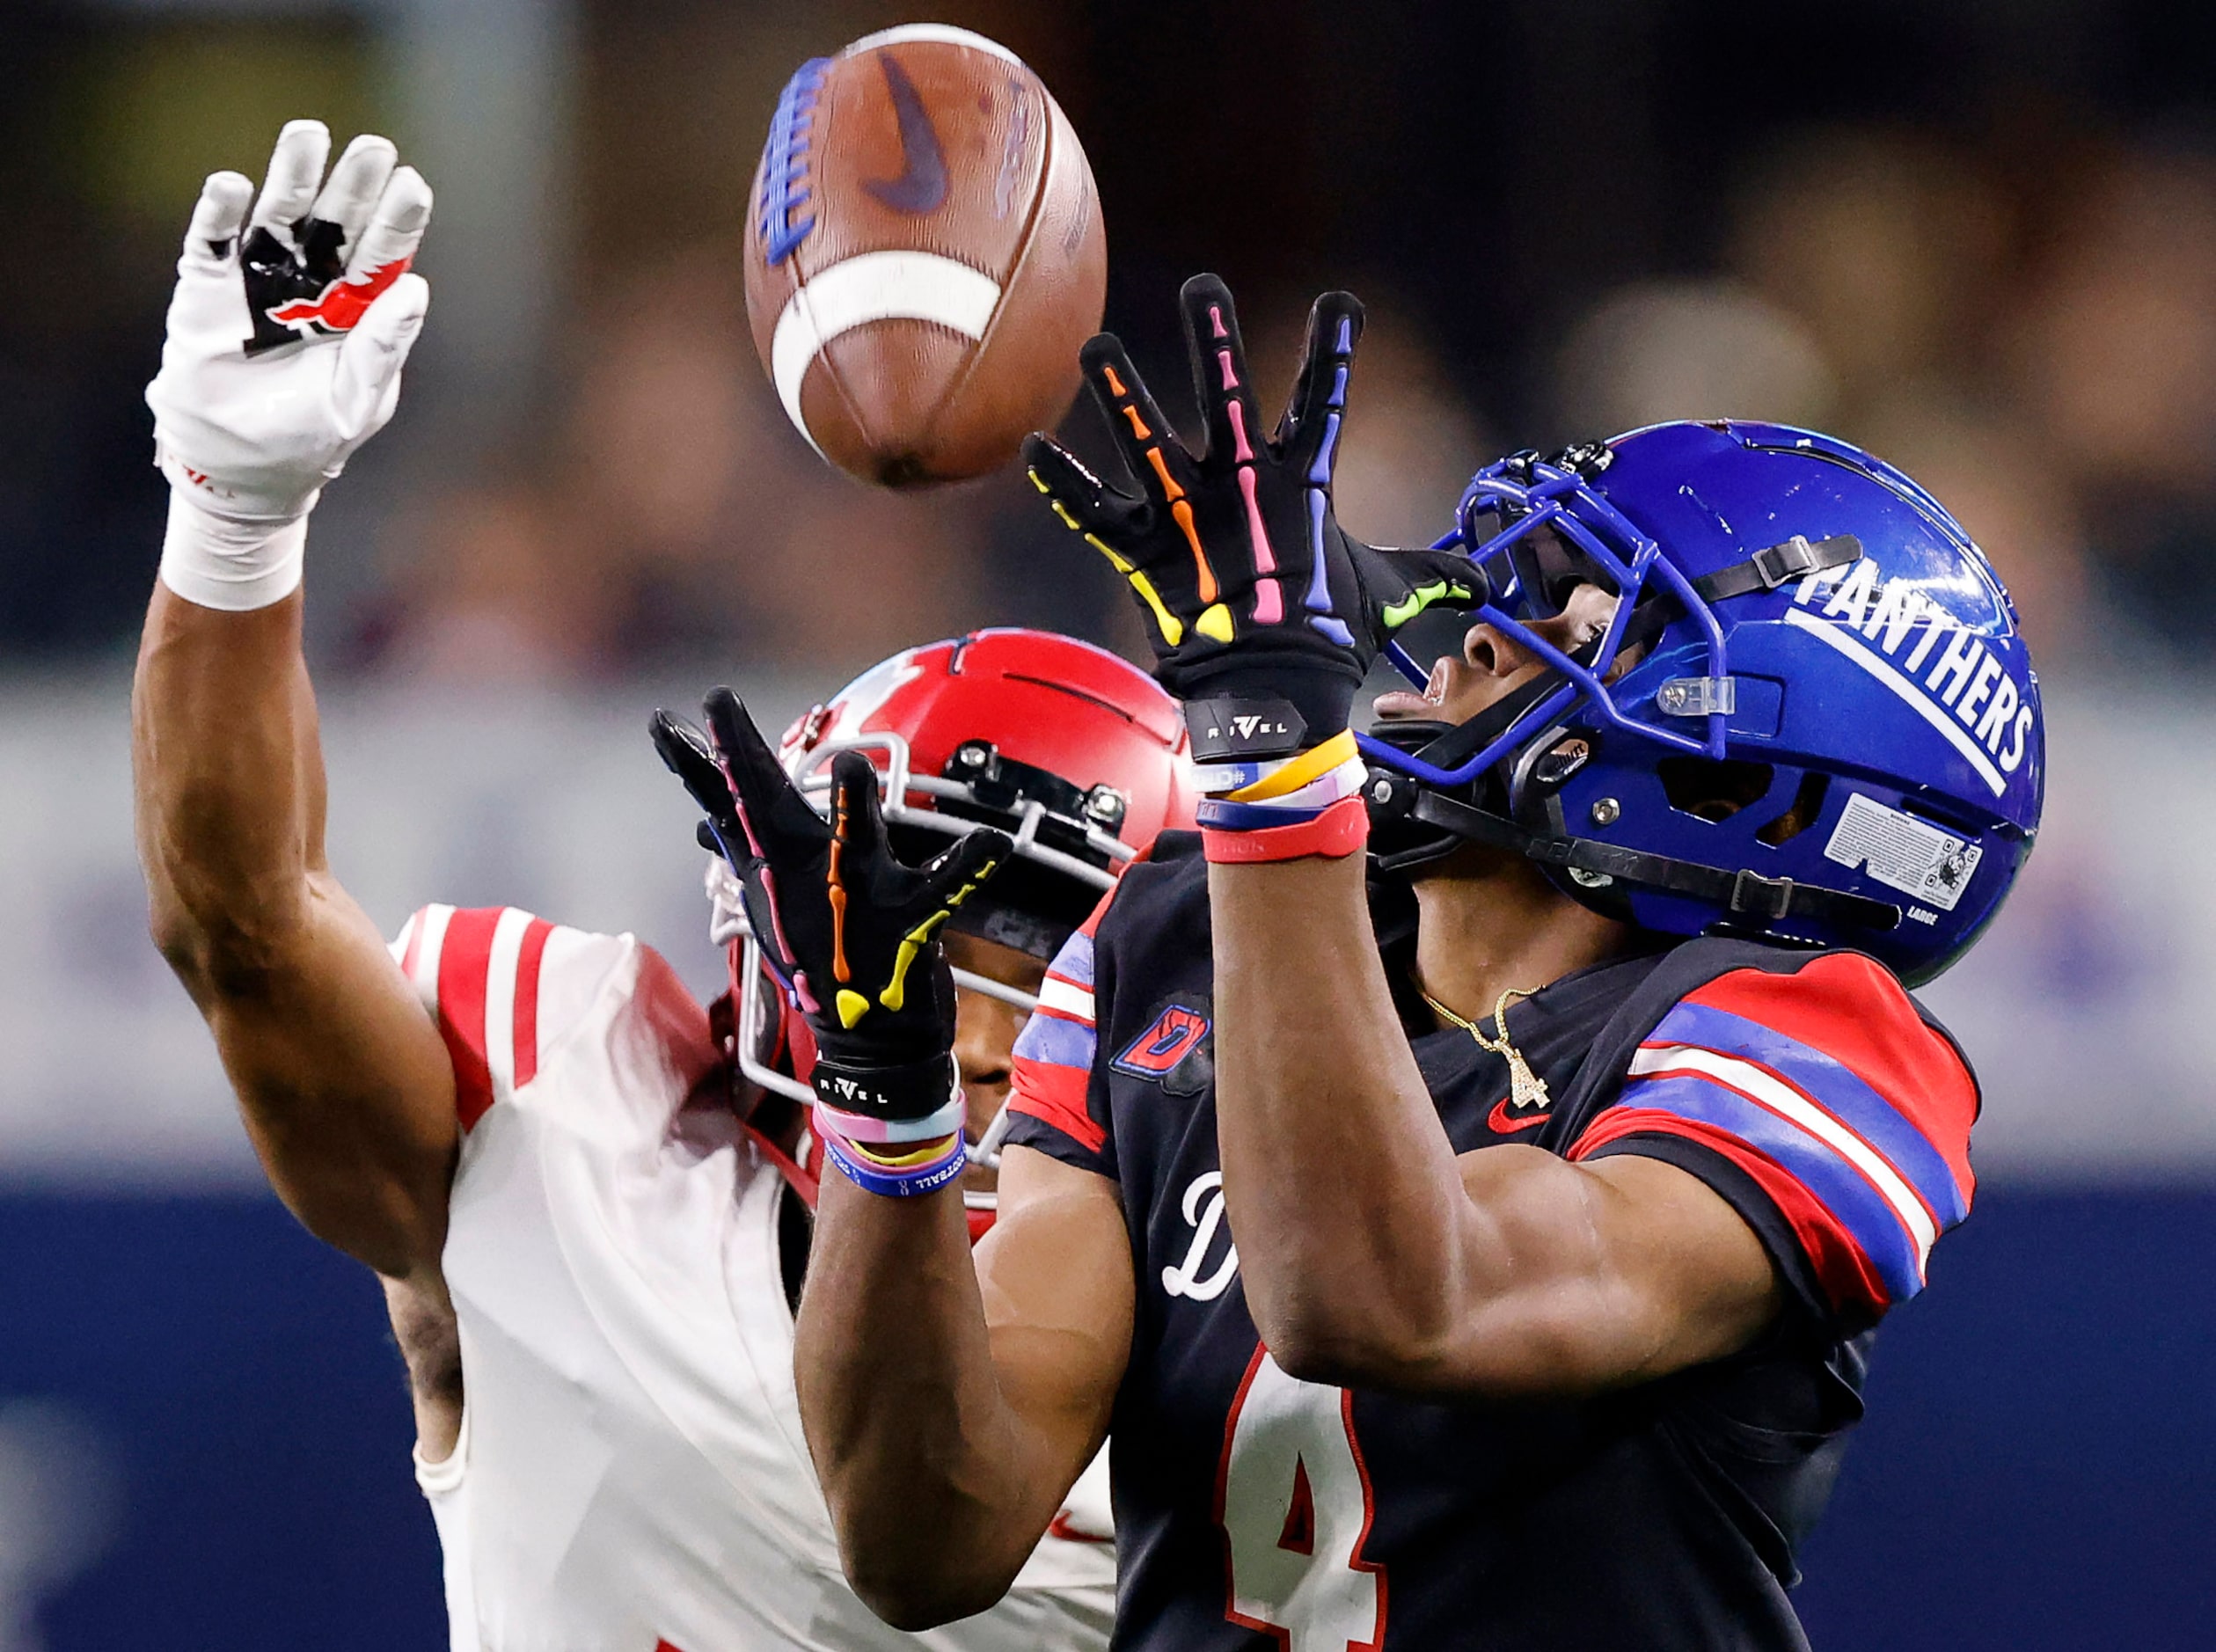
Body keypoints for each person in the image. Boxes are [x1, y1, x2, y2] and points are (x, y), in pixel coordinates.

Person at [712, 274, 2041, 1648]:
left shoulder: (1821, 1039)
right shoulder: (1164, 937)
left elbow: (1392, 1297)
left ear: (1754, 763)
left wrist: (1268, 752)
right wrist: (886, 1106)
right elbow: (927, 1532)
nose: (1475, 630)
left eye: (1575, 619)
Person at [130, 121, 1196, 1652]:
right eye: (917, 931)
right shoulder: (573, 1121)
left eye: (1045, 964)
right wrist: (235, 518)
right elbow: (238, 925)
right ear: (785, 902)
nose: (962, 1030)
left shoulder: (1273, 1335)